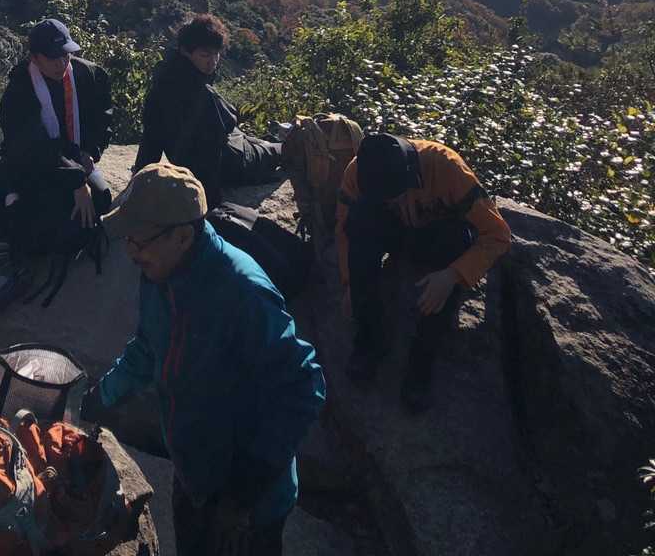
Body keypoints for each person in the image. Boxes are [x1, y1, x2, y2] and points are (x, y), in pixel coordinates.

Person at [90, 163, 326, 556]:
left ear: (183, 235)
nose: (130, 251)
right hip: (194, 472)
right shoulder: (160, 274)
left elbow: (304, 387)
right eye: (127, 238)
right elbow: (148, 347)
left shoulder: (242, 292)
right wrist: (103, 395)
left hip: (248, 502)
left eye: (138, 240)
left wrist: (245, 491)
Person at [336, 132, 511, 412]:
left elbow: (498, 235)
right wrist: (351, 284)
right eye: (386, 200)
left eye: (394, 197)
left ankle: (420, 365)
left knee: (456, 241)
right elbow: (344, 231)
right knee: (360, 219)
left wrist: (453, 275)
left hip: (435, 240)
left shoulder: (446, 167)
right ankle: (369, 341)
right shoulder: (358, 170)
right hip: (395, 234)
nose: (393, 203)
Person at [0, 18, 113, 309]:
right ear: (35, 58)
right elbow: (31, 146)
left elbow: (103, 117)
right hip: (32, 162)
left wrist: (91, 151)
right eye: (53, 57)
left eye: (66, 55)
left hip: (75, 158)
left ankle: (32, 247)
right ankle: (7, 261)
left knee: (100, 198)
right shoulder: (20, 90)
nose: (62, 63)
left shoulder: (87, 74)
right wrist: (76, 181)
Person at [135, 14, 282, 208]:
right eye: (205, 55)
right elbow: (213, 154)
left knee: (260, 143)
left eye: (216, 54)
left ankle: (272, 141)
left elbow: (151, 140)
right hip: (232, 164)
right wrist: (210, 205)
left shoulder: (163, 80)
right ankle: (284, 144)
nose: (212, 61)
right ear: (186, 52)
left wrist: (139, 182)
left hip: (216, 155)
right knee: (277, 151)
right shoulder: (201, 94)